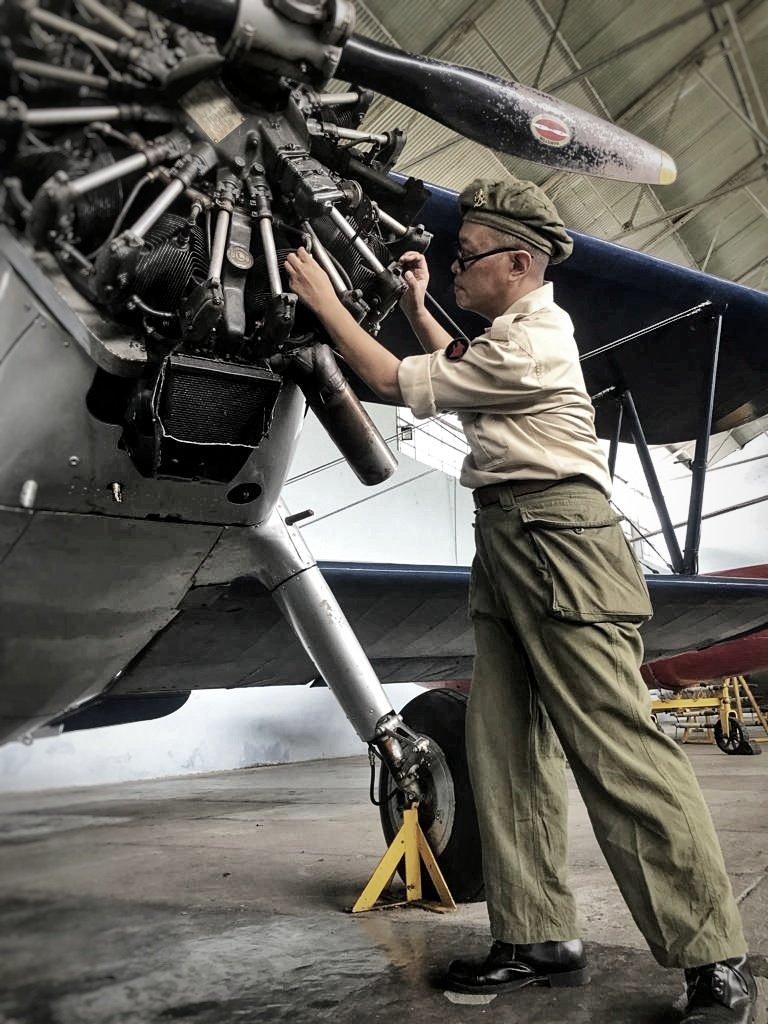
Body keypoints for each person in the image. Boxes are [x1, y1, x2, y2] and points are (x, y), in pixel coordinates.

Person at [284, 177, 757, 1023]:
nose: (454, 267)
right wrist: (423, 303)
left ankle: (713, 957)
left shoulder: (541, 340)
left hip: (561, 543)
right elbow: (455, 366)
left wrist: (321, 297)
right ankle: (537, 935)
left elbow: (394, 377)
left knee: (619, 750)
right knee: (503, 749)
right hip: (507, 541)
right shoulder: (507, 338)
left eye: (466, 260)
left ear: (518, 262)